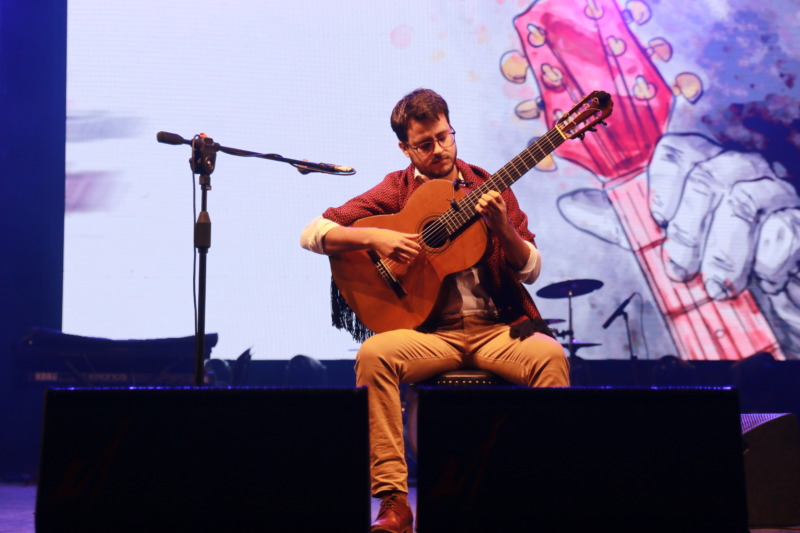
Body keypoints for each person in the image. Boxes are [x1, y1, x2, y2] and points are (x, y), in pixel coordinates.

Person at [300, 88, 569, 533]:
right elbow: (314, 232)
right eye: (425, 144)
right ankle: (394, 501)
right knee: (373, 355)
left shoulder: (488, 183)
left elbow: (531, 270)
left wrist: (503, 227)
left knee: (550, 356)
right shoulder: (397, 190)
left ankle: (545, 492)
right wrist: (376, 237)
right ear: (405, 148)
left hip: (497, 328)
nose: (439, 149)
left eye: (444, 137)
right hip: (431, 335)